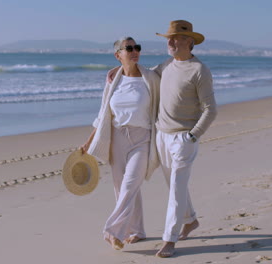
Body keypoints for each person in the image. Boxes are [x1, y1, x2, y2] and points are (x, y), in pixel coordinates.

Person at [107, 20, 217, 258]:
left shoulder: (199, 70)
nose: (170, 42)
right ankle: (190, 220)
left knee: (176, 191)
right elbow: (140, 74)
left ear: (189, 41)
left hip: (183, 139)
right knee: (174, 185)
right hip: (161, 136)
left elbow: (210, 110)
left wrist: (192, 136)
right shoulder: (166, 65)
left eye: (175, 38)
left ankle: (170, 240)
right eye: (168, 38)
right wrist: (117, 73)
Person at [80, 37, 160, 250]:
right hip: (117, 137)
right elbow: (103, 112)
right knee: (121, 187)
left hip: (142, 137)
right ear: (118, 55)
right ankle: (137, 231)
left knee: (130, 184)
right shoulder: (112, 79)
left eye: (137, 48)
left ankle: (113, 230)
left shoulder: (150, 77)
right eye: (129, 48)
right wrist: (89, 142)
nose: (135, 51)